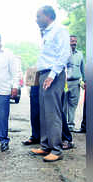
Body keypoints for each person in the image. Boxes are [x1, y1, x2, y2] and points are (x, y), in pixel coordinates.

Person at [30, 6, 71, 162]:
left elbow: (64, 54)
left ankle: (56, 149)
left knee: (53, 113)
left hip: (53, 75)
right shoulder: (46, 33)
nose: (36, 19)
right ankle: (45, 145)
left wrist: (52, 75)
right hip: (43, 74)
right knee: (44, 112)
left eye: (38, 16)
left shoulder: (59, 30)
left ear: (48, 16)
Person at [22, 79, 74, 150]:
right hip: (36, 74)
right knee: (35, 108)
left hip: (50, 75)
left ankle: (66, 138)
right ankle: (36, 136)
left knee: (54, 108)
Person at [64, 35, 86, 131]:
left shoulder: (80, 54)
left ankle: (71, 125)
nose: (74, 43)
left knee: (73, 105)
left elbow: (83, 68)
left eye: (75, 41)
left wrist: (85, 80)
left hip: (75, 83)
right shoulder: (63, 53)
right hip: (64, 83)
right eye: (72, 41)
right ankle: (63, 125)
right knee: (63, 104)